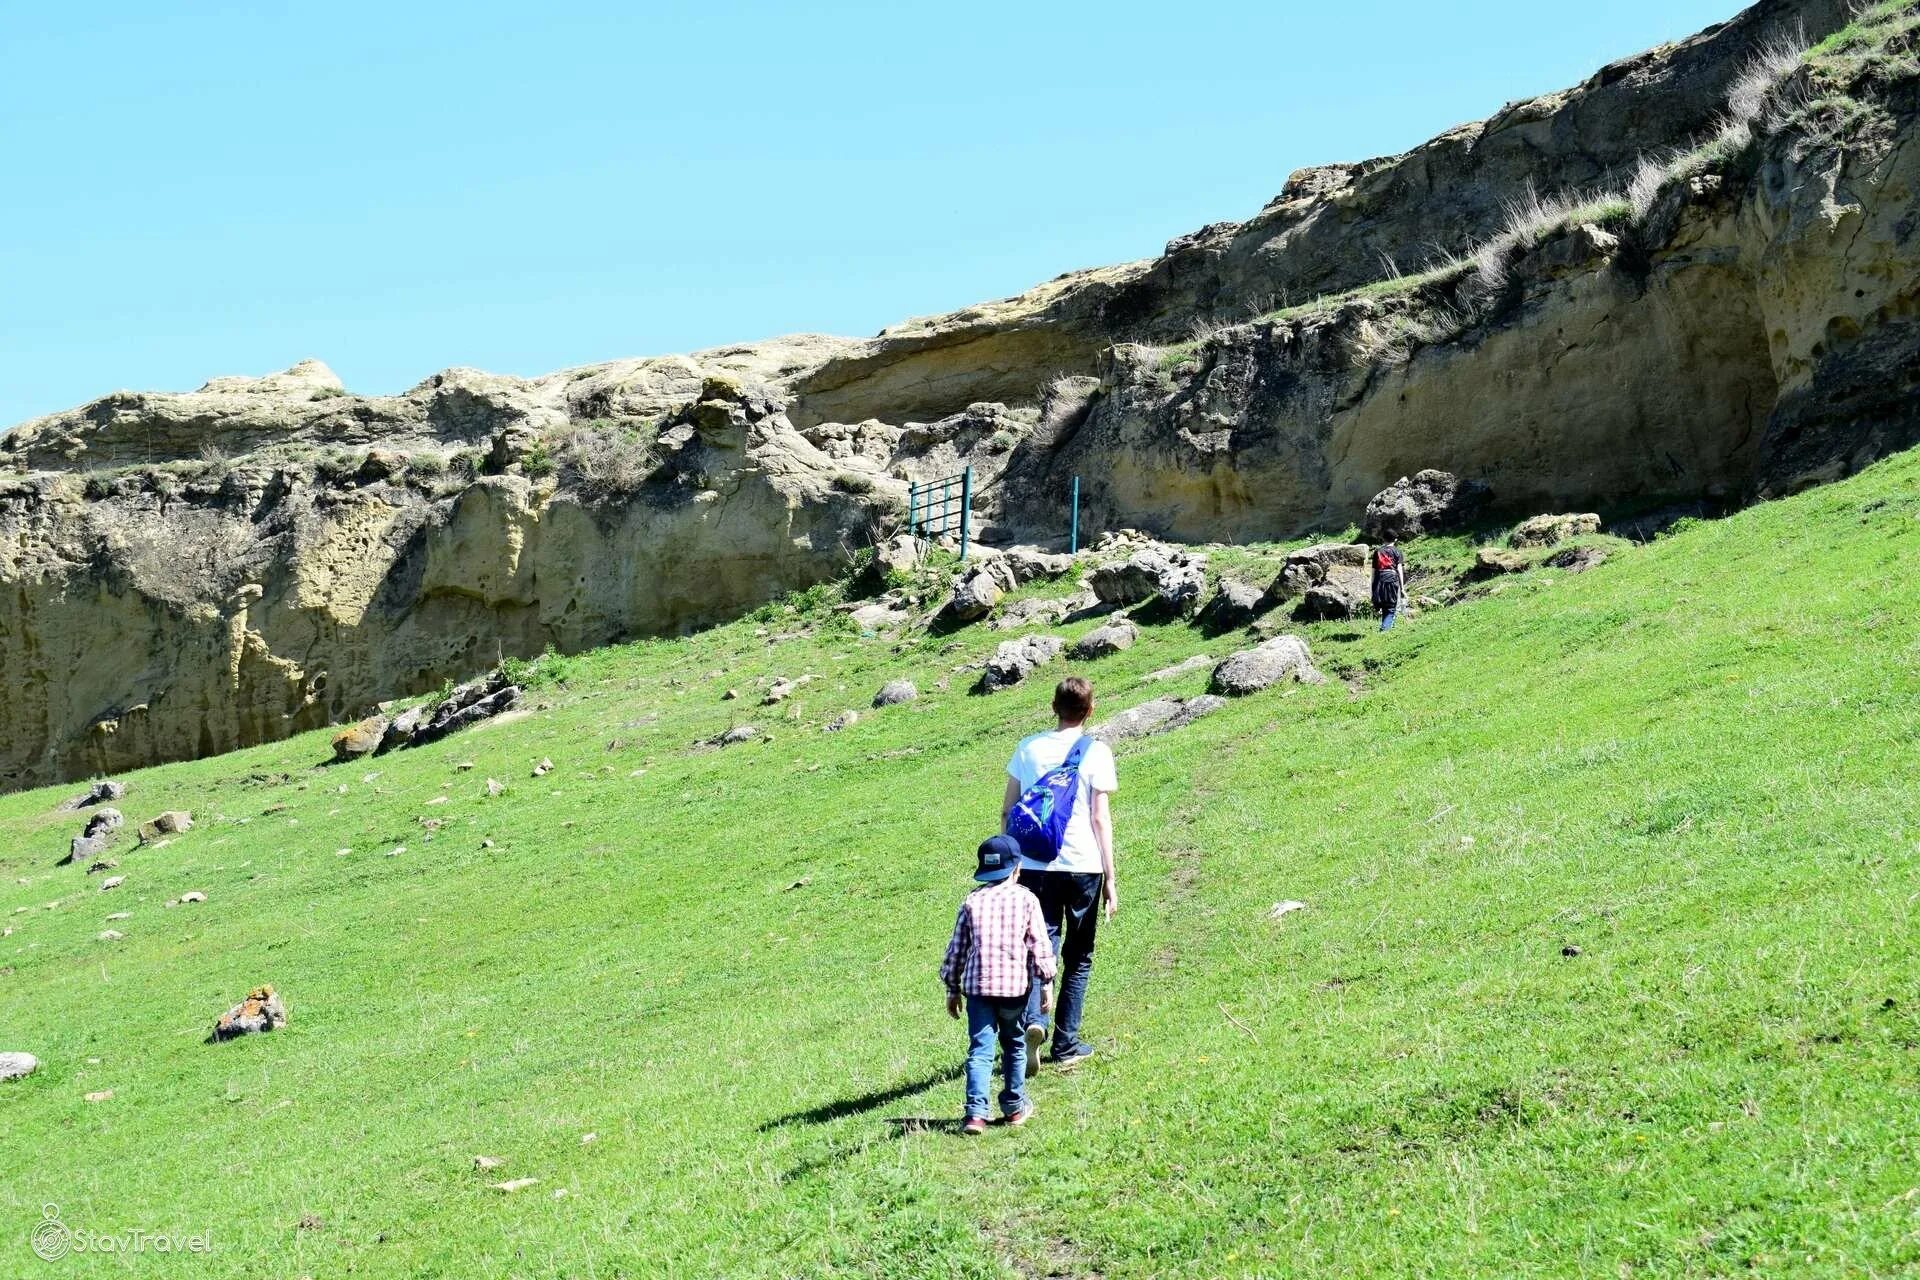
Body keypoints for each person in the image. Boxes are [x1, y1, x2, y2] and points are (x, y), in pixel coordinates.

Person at [1003, 675, 1118, 1071]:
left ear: (1053, 707)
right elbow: (1100, 819)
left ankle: (1035, 1021)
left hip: (1035, 865)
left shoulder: (1028, 748)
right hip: (1084, 865)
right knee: (1079, 955)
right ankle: (1066, 1044)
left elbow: (1009, 811)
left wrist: (1011, 863)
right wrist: (1111, 879)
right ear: (1090, 709)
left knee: (1039, 948)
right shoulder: (1097, 752)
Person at [940, 835, 1056, 1134]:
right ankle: (1014, 1107)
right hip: (1014, 990)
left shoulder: (972, 901)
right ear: (1017, 869)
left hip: (978, 990)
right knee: (1014, 1044)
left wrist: (952, 988)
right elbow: (1040, 945)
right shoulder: (1027, 900)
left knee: (980, 1049)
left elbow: (957, 949)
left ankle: (975, 1114)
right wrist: (1046, 983)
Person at [1371, 541, 1407, 631]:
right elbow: (1399, 570)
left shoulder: (1377, 551)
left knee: (1384, 606)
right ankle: (1384, 630)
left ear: (1383, 539)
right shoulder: (1397, 551)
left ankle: (1388, 627)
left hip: (1379, 580)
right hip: (1392, 580)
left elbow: (1373, 572)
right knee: (1391, 607)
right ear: (1395, 539)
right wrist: (1402, 588)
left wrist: (1372, 587)